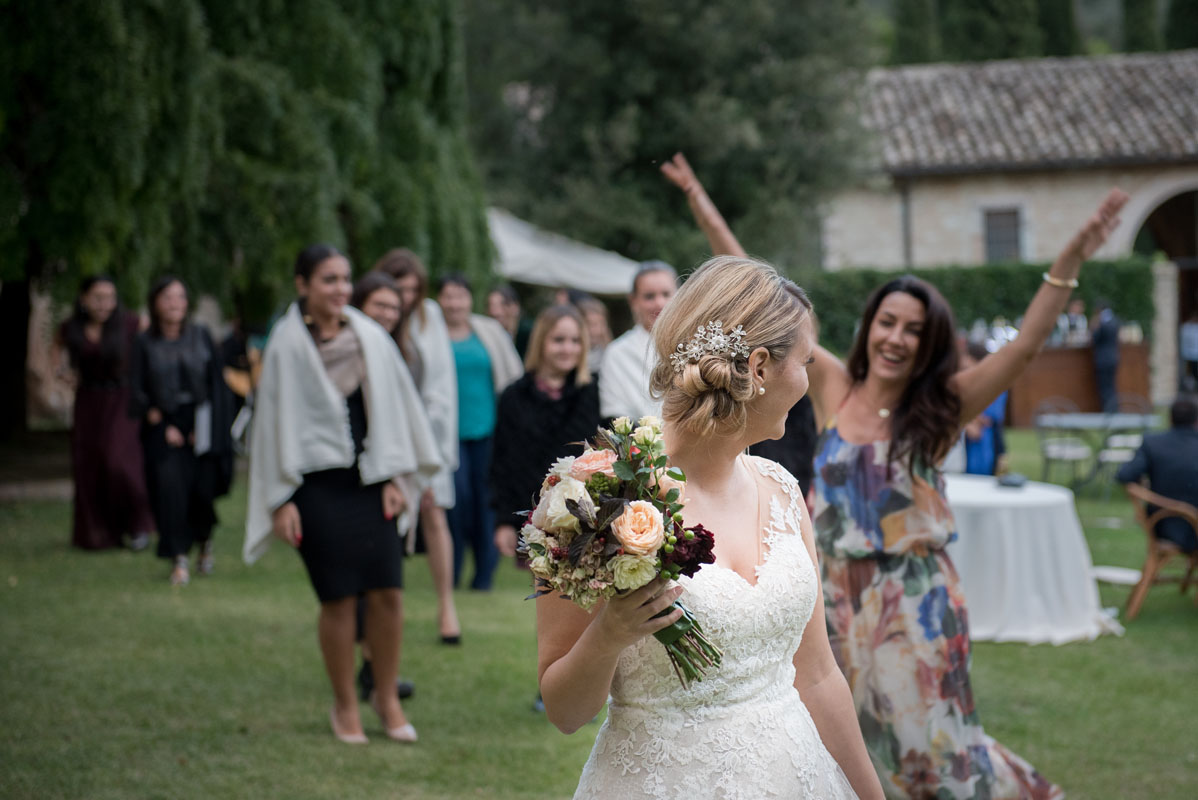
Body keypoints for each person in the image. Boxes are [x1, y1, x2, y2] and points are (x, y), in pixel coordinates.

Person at [664, 150, 1126, 797]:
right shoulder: (830, 384)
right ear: (869, 326)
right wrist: (700, 203)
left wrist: (1071, 256)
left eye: (914, 329)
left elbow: (1024, 346)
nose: (897, 338)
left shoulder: (941, 406)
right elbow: (757, 299)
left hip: (914, 601)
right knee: (837, 732)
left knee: (931, 746)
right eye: (888, 322)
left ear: (929, 341)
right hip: (831, 597)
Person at [541, 256, 883, 799]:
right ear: (762, 366)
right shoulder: (597, 498)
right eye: (807, 362)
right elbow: (563, 711)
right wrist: (608, 636)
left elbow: (817, 676)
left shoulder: (782, 490)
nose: (810, 378)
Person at [245, 244, 442, 744]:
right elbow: (271, 428)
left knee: (389, 593)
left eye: (343, 279)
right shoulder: (287, 346)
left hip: (371, 482)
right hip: (314, 489)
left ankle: (386, 696)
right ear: (303, 285)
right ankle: (344, 704)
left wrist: (398, 478)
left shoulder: (369, 336)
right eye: (327, 279)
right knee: (338, 598)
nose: (338, 289)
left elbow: (395, 412)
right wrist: (279, 499)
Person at [374, 249, 463, 643]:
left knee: (434, 515)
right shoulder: (373, 318)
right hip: (384, 435)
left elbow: (440, 388)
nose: (406, 297)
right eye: (399, 288)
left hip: (426, 435)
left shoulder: (428, 317)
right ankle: (384, 605)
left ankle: (447, 607)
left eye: (412, 289)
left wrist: (431, 456)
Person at [130, 277, 233, 585]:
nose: (175, 303)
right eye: (167, 297)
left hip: (202, 421)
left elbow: (217, 385)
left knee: (202, 492)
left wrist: (204, 429)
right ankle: (179, 557)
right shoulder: (144, 342)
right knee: (170, 490)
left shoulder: (201, 336)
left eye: (180, 297)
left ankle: (204, 543)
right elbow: (136, 389)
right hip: (163, 425)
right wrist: (162, 424)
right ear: (155, 303)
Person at [490, 305, 601, 560]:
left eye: (575, 341)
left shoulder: (592, 393)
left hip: (581, 516)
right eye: (558, 340)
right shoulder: (513, 397)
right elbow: (502, 464)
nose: (568, 348)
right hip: (529, 515)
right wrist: (504, 521)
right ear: (541, 342)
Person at [55, 276, 156, 551]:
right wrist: (63, 374)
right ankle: (97, 533)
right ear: (84, 298)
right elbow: (56, 358)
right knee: (89, 465)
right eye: (98, 297)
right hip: (88, 401)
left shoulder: (131, 324)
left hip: (121, 400)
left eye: (110, 297)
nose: (104, 304)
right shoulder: (71, 328)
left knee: (118, 461)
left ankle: (137, 525)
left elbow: (151, 351)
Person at [438, 272, 523, 590]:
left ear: (469, 300)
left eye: (460, 295)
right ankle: (452, 568)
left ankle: (484, 574)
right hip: (449, 435)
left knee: (486, 501)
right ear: (440, 300)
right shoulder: (430, 335)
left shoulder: (487, 331)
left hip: (488, 431)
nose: (455, 302)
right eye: (448, 295)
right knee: (457, 501)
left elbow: (513, 375)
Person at [1116, 395, 1198, 553]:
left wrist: (1145, 485)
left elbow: (1125, 474)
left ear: (1170, 419)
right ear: (1196, 420)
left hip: (1164, 524)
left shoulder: (1152, 443)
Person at [598, 261, 677, 421]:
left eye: (666, 294)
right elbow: (615, 414)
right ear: (633, 301)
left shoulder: (696, 341)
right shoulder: (618, 352)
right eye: (649, 296)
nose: (659, 303)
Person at [962, 341, 1008, 476]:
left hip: (988, 442)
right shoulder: (966, 382)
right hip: (970, 443)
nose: (963, 363)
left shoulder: (995, 384)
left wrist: (970, 419)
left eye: (966, 358)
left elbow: (990, 418)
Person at [487, 284, 533, 357]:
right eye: (491, 305)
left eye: (503, 304)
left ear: (515, 307)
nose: (494, 311)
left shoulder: (529, 332)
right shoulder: (487, 335)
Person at [1091, 300, 1121, 412]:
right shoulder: (1115, 321)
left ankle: (1109, 411)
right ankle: (1114, 409)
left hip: (1102, 360)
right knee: (1112, 387)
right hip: (1113, 358)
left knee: (1105, 388)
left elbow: (1095, 338)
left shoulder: (1101, 323)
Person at [573, 295, 612, 372]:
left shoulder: (609, 353)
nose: (596, 330)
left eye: (601, 324)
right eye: (590, 324)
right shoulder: (572, 357)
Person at [1180, 308, 1198, 392]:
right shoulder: (1186, 327)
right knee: (1188, 373)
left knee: (1194, 373)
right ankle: (1188, 388)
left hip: (1194, 354)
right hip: (1188, 354)